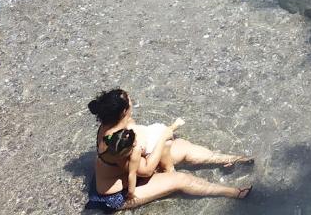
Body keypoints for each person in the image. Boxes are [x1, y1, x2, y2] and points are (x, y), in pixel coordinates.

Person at [87, 88, 251, 211]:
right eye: (130, 102)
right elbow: (146, 170)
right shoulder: (113, 142)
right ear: (124, 111)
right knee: (181, 179)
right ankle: (232, 192)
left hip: (132, 168)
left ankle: (230, 159)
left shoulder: (119, 121)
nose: (132, 103)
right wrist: (163, 138)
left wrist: (163, 143)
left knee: (183, 147)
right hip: (117, 194)